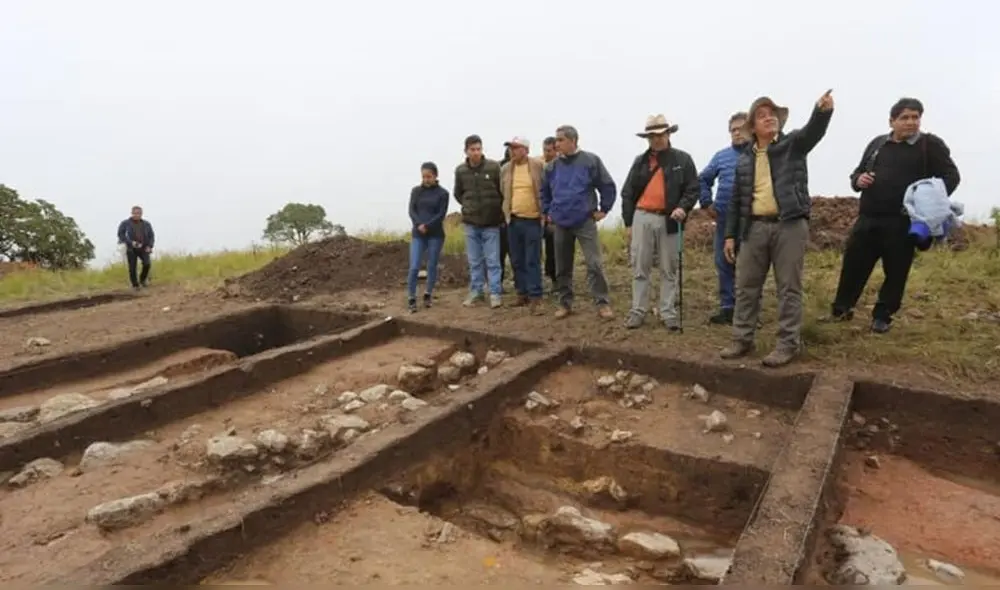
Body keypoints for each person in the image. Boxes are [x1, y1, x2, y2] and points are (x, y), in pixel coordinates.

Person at [721, 90, 835, 367]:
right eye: (761, 115)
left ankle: (787, 344)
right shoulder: (745, 160)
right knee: (746, 286)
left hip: (789, 225)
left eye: (772, 113)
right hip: (754, 228)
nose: (769, 118)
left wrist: (822, 112)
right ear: (752, 127)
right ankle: (742, 339)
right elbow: (736, 200)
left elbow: (812, 133)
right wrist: (730, 235)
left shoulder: (792, 144)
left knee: (789, 288)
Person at [827, 97, 960, 333]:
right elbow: (856, 174)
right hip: (868, 218)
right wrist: (859, 180)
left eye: (915, 117)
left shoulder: (930, 145)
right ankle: (841, 310)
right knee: (854, 266)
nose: (911, 122)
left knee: (896, 272)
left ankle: (883, 316)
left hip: (903, 221)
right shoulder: (878, 144)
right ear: (892, 121)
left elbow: (951, 176)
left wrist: (928, 200)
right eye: (905, 118)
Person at [620, 115, 699, 331]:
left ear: (669, 134)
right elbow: (627, 193)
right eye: (652, 136)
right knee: (640, 266)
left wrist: (683, 207)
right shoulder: (640, 162)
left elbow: (693, 188)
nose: (657, 139)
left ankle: (668, 312)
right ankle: (638, 311)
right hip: (642, 216)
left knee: (669, 267)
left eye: (661, 134)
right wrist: (629, 223)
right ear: (647, 138)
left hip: (670, 218)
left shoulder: (683, 160)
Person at [540, 125, 617, 319]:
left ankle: (602, 303)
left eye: (560, 140)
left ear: (573, 141)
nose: (556, 144)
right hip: (561, 222)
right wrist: (548, 212)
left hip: (584, 221)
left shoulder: (590, 161)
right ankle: (565, 304)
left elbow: (607, 185)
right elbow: (544, 192)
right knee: (562, 266)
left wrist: (604, 209)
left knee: (594, 264)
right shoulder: (552, 167)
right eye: (556, 140)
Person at [699, 112, 750, 325]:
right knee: (723, 262)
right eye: (733, 130)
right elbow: (703, 178)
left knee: (749, 265)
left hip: (751, 219)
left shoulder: (760, 154)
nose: (737, 133)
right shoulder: (721, 156)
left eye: (741, 128)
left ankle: (748, 311)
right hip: (723, 217)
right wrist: (706, 202)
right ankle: (728, 308)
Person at [454, 134, 505, 308]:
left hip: (491, 222)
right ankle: (476, 292)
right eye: (472, 150)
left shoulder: (493, 167)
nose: (476, 153)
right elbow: (458, 193)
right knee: (475, 261)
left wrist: (496, 210)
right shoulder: (460, 171)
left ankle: (495, 293)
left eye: (478, 149)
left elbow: (502, 190)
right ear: (466, 151)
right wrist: (469, 207)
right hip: (471, 223)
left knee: (493, 261)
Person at [499, 136, 546, 311]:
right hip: (513, 220)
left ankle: (536, 295)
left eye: (516, 148)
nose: (513, 151)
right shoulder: (505, 169)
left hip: (533, 220)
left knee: (532, 258)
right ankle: (522, 293)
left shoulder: (537, 166)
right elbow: (503, 191)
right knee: (517, 259)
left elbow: (545, 188)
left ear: (526, 149)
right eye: (511, 148)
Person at [406, 162, 450, 313]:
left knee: (432, 265)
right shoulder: (416, 191)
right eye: (424, 176)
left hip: (435, 234)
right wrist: (419, 224)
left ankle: (428, 294)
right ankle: (411, 297)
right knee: (414, 266)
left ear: (435, 176)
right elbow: (412, 210)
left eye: (429, 176)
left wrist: (428, 225)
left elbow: (441, 214)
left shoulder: (443, 194)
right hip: (418, 234)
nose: (426, 179)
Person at [116, 206, 155, 290]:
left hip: (143, 247)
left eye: (139, 213)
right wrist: (131, 242)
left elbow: (151, 236)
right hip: (131, 248)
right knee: (132, 267)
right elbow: (121, 235)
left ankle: (143, 280)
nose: (137, 215)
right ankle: (135, 285)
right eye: (135, 213)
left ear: (141, 214)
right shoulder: (125, 223)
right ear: (132, 213)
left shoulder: (147, 224)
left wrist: (150, 246)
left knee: (147, 264)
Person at [540, 136, 559, 292]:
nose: (546, 153)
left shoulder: (560, 166)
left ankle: (556, 280)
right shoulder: (538, 165)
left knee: (555, 247)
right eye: (544, 150)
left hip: (557, 214)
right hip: (540, 212)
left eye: (549, 151)